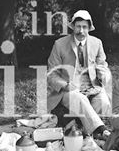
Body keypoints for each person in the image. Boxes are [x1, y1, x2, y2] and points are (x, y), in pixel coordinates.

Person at [46, 10, 111, 138]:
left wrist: (103, 75)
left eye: (84, 27)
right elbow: (51, 74)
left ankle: (85, 133)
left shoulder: (97, 43)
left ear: (89, 29)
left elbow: (103, 66)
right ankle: (101, 130)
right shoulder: (60, 45)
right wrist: (65, 85)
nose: (81, 31)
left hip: (92, 87)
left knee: (104, 101)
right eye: (78, 26)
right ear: (73, 27)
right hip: (67, 90)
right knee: (79, 98)